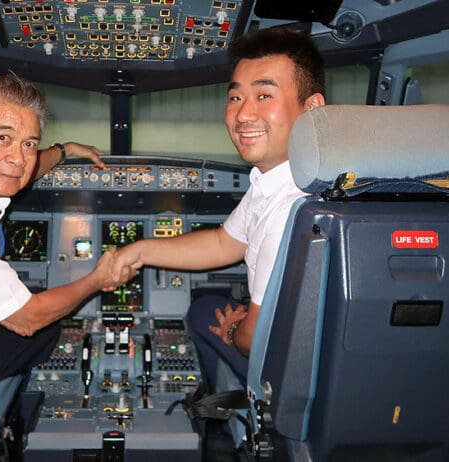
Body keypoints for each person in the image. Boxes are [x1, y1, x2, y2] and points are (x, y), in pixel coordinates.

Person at [110, 27, 326, 387]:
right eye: (236, 98)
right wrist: (140, 250)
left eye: (264, 95)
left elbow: (254, 338)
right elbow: (222, 244)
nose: (243, 115)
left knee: (203, 314)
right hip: (328, 366)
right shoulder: (279, 181)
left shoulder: (291, 210)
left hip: (291, 380)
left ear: (311, 108)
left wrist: (233, 330)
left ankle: (236, 419)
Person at [0, 74, 130, 384]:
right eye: (3, 138)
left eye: (29, 143)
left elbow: (19, 172)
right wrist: (97, 280)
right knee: (46, 329)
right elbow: (28, 320)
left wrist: (64, 151)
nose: (18, 159)